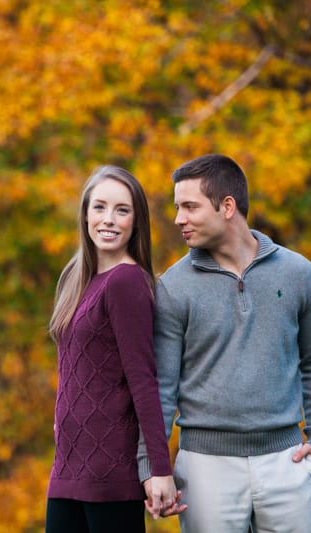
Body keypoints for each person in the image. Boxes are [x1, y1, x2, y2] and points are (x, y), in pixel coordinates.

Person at [138, 154, 311, 532]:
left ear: (227, 206)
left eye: (190, 207)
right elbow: (160, 385)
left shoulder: (298, 273)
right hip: (205, 467)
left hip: (288, 461)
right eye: (178, 207)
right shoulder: (174, 287)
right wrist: (152, 467)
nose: (179, 218)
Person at [46, 165, 186, 533]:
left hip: (111, 469)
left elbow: (143, 379)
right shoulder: (77, 278)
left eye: (122, 210)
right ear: (85, 214)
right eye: (99, 207)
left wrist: (159, 469)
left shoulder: (125, 282)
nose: (108, 219)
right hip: (68, 464)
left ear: (136, 222)